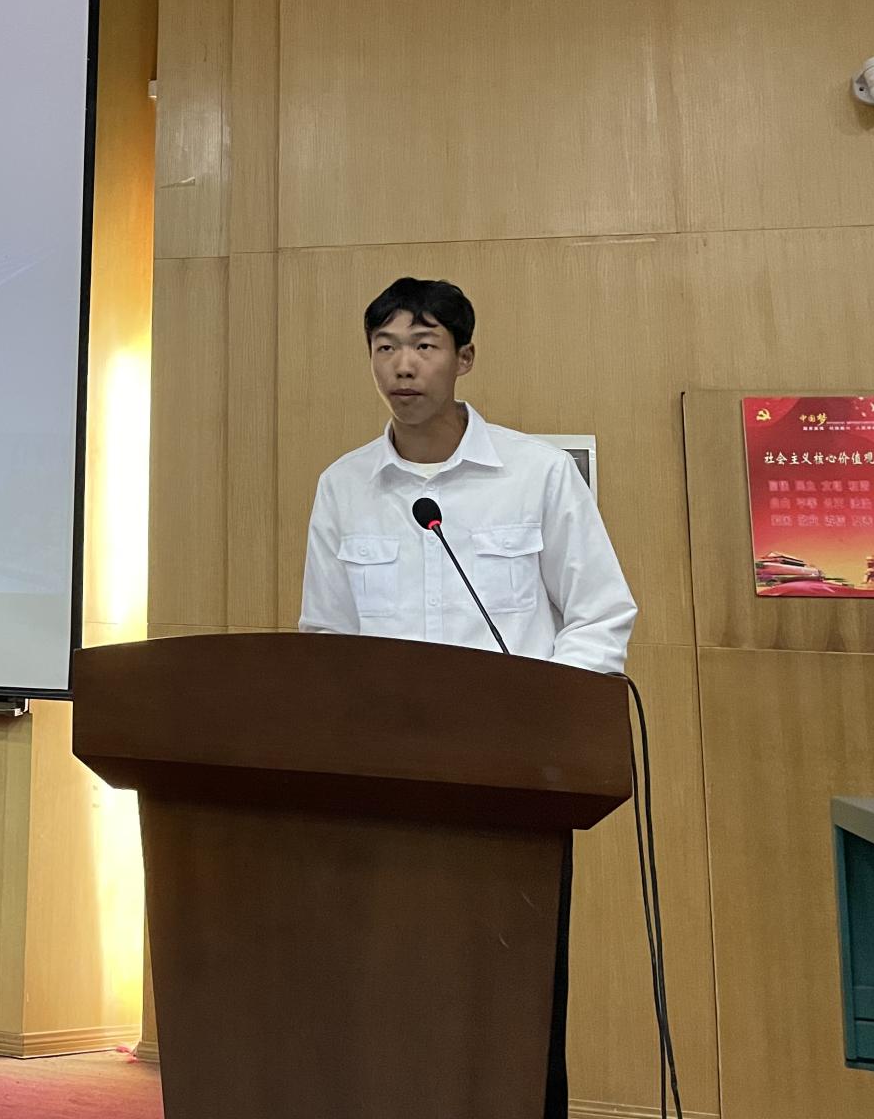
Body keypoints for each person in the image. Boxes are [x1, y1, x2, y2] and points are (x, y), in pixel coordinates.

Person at [298, 276, 636, 1119]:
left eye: (424, 345)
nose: (402, 366)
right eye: (385, 347)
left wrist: (543, 723)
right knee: (393, 993)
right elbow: (327, 641)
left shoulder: (536, 474)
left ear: (465, 358)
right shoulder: (344, 486)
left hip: (512, 784)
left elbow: (600, 614)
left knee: (515, 998)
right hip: (388, 787)